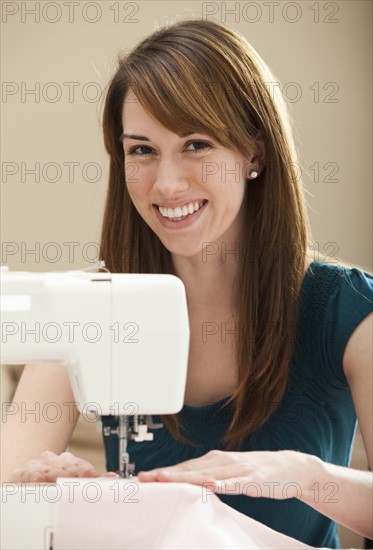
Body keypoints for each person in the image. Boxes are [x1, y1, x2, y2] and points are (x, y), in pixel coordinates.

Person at [1, 19, 372, 549]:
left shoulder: (349, 310)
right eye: (142, 150)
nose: (167, 183)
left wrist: (307, 476)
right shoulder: (85, 309)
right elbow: (7, 499)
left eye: (196, 144)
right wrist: (37, 494)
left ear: (254, 153)